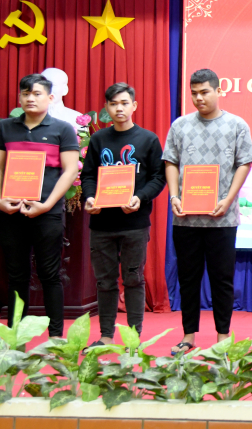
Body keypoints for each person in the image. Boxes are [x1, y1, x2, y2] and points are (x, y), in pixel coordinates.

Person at [164, 68, 252, 355]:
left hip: (222, 218)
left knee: (222, 280)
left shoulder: (237, 125)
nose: (199, 98)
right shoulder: (180, 125)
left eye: (204, 92)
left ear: (218, 90)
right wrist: (174, 196)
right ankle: (188, 336)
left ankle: (222, 337)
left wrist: (228, 199)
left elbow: (244, 163)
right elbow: (170, 161)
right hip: (186, 218)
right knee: (188, 279)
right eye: (194, 93)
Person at [0, 73, 80, 337]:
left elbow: (70, 170)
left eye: (37, 93)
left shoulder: (62, 129)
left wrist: (48, 204)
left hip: (47, 212)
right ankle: (15, 338)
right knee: (16, 275)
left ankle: (55, 338)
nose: (30, 98)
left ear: (50, 97)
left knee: (50, 274)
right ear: (20, 97)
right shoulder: (5, 128)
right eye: (26, 93)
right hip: (11, 210)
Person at [80, 82, 166, 351]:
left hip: (134, 224)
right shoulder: (98, 139)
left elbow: (158, 177)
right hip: (102, 224)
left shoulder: (148, 139)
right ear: (106, 107)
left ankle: (133, 338)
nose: (119, 108)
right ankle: (106, 336)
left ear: (134, 106)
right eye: (113, 103)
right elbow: (88, 175)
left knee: (133, 279)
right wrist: (89, 197)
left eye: (124, 103)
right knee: (105, 282)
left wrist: (140, 198)